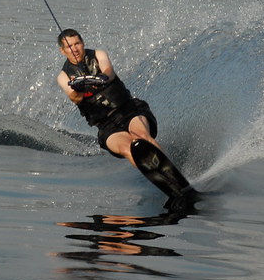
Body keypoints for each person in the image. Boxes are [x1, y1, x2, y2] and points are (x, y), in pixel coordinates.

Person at [56, 28, 193, 199]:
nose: (74, 49)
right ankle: (166, 186)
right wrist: (80, 88)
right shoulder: (63, 76)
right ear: (63, 51)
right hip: (107, 126)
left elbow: (109, 72)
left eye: (77, 43)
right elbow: (75, 98)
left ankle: (177, 177)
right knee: (129, 148)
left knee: (141, 136)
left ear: (83, 43)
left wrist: (100, 79)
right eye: (69, 46)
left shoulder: (98, 54)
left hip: (129, 110)